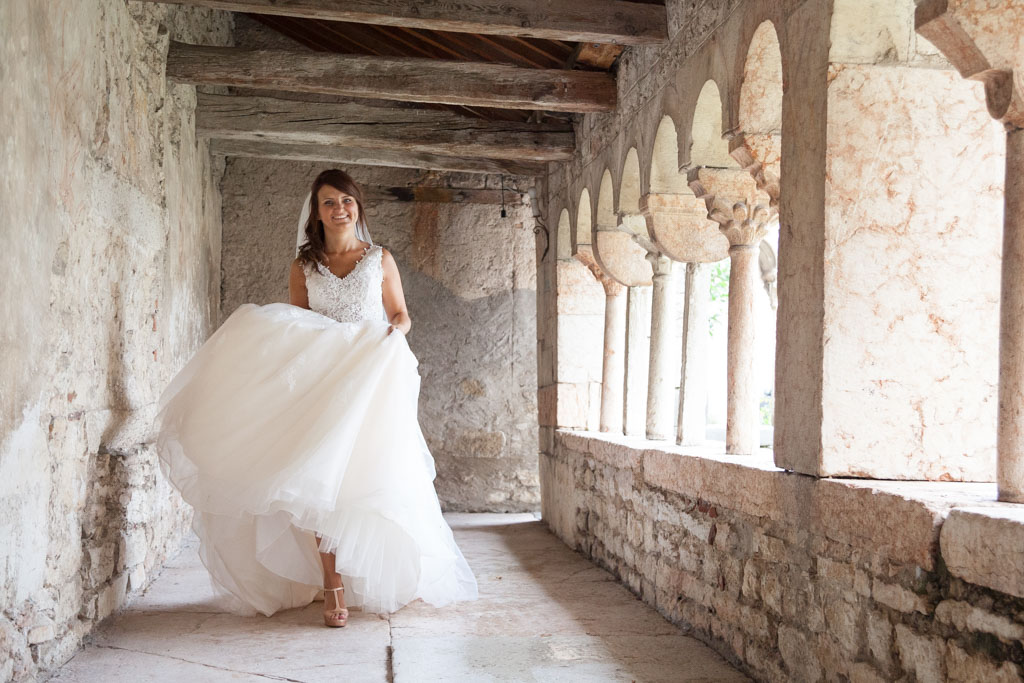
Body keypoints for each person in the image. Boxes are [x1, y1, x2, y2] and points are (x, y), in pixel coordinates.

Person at [155, 169, 478, 627]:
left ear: (358, 206)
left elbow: (402, 314)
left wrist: (392, 335)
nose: (340, 208)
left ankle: (366, 572)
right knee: (318, 481)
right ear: (317, 212)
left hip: (369, 376)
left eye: (346, 200)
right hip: (323, 381)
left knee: (365, 477)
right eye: (329, 202)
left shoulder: (380, 258)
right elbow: (295, 326)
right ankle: (332, 584)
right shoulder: (304, 266)